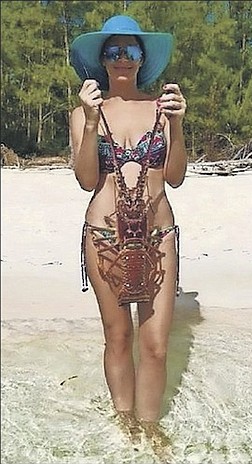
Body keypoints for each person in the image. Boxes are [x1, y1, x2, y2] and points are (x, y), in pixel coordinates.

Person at [69, 14, 187, 451]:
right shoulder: (82, 113)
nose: (122, 59)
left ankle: (151, 430)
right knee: (118, 336)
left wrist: (177, 125)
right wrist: (89, 118)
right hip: (103, 236)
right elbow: (85, 179)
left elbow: (174, 177)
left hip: (159, 237)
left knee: (155, 345)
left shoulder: (163, 107)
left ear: (142, 59)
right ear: (101, 60)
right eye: (113, 51)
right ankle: (125, 426)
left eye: (131, 51)